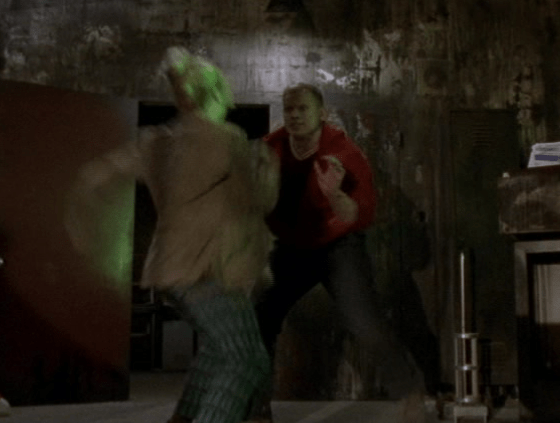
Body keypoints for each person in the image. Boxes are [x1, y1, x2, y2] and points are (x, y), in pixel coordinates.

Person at [65, 47, 280, 423]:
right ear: (214, 94)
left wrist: (86, 236)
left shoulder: (157, 141)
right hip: (209, 271)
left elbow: (94, 177)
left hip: (171, 271)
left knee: (222, 350)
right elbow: (254, 205)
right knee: (243, 360)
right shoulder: (226, 139)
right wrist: (269, 172)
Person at [247, 83, 426, 423]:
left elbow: (359, 216)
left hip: (338, 247)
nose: (295, 116)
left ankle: (410, 391)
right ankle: (258, 407)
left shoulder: (345, 153)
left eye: (303, 109)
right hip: (292, 247)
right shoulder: (271, 148)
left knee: (365, 323)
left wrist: (334, 195)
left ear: (322, 114)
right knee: (260, 317)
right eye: (289, 109)